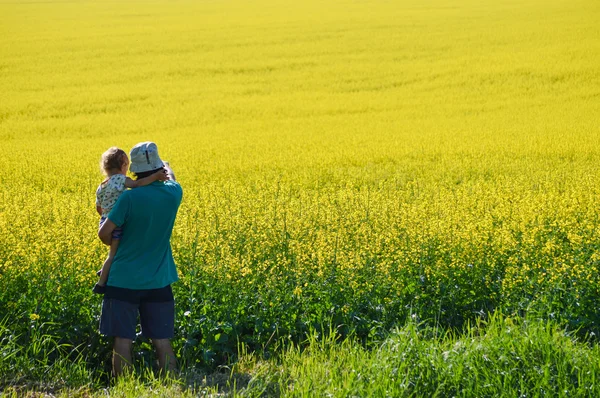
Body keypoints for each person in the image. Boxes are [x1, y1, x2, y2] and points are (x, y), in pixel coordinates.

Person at [98, 142, 183, 377]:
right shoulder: (174, 192)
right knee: (162, 339)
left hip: (124, 279)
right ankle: (171, 385)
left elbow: (104, 234)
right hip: (159, 278)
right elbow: (171, 177)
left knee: (123, 340)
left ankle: (124, 389)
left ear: (133, 168)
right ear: (158, 166)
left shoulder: (128, 199)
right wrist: (164, 167)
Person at [94, 147, 167, 294]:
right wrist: (156, 177)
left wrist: (107, 217)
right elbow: (137, 185)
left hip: (105, 220)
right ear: (123, 166)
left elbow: (98, 207)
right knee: (114, 254)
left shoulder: (102, 185)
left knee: (116, 250)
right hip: (117, 223)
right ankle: (102, 282)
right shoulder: (121, 179)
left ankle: (105, 269)